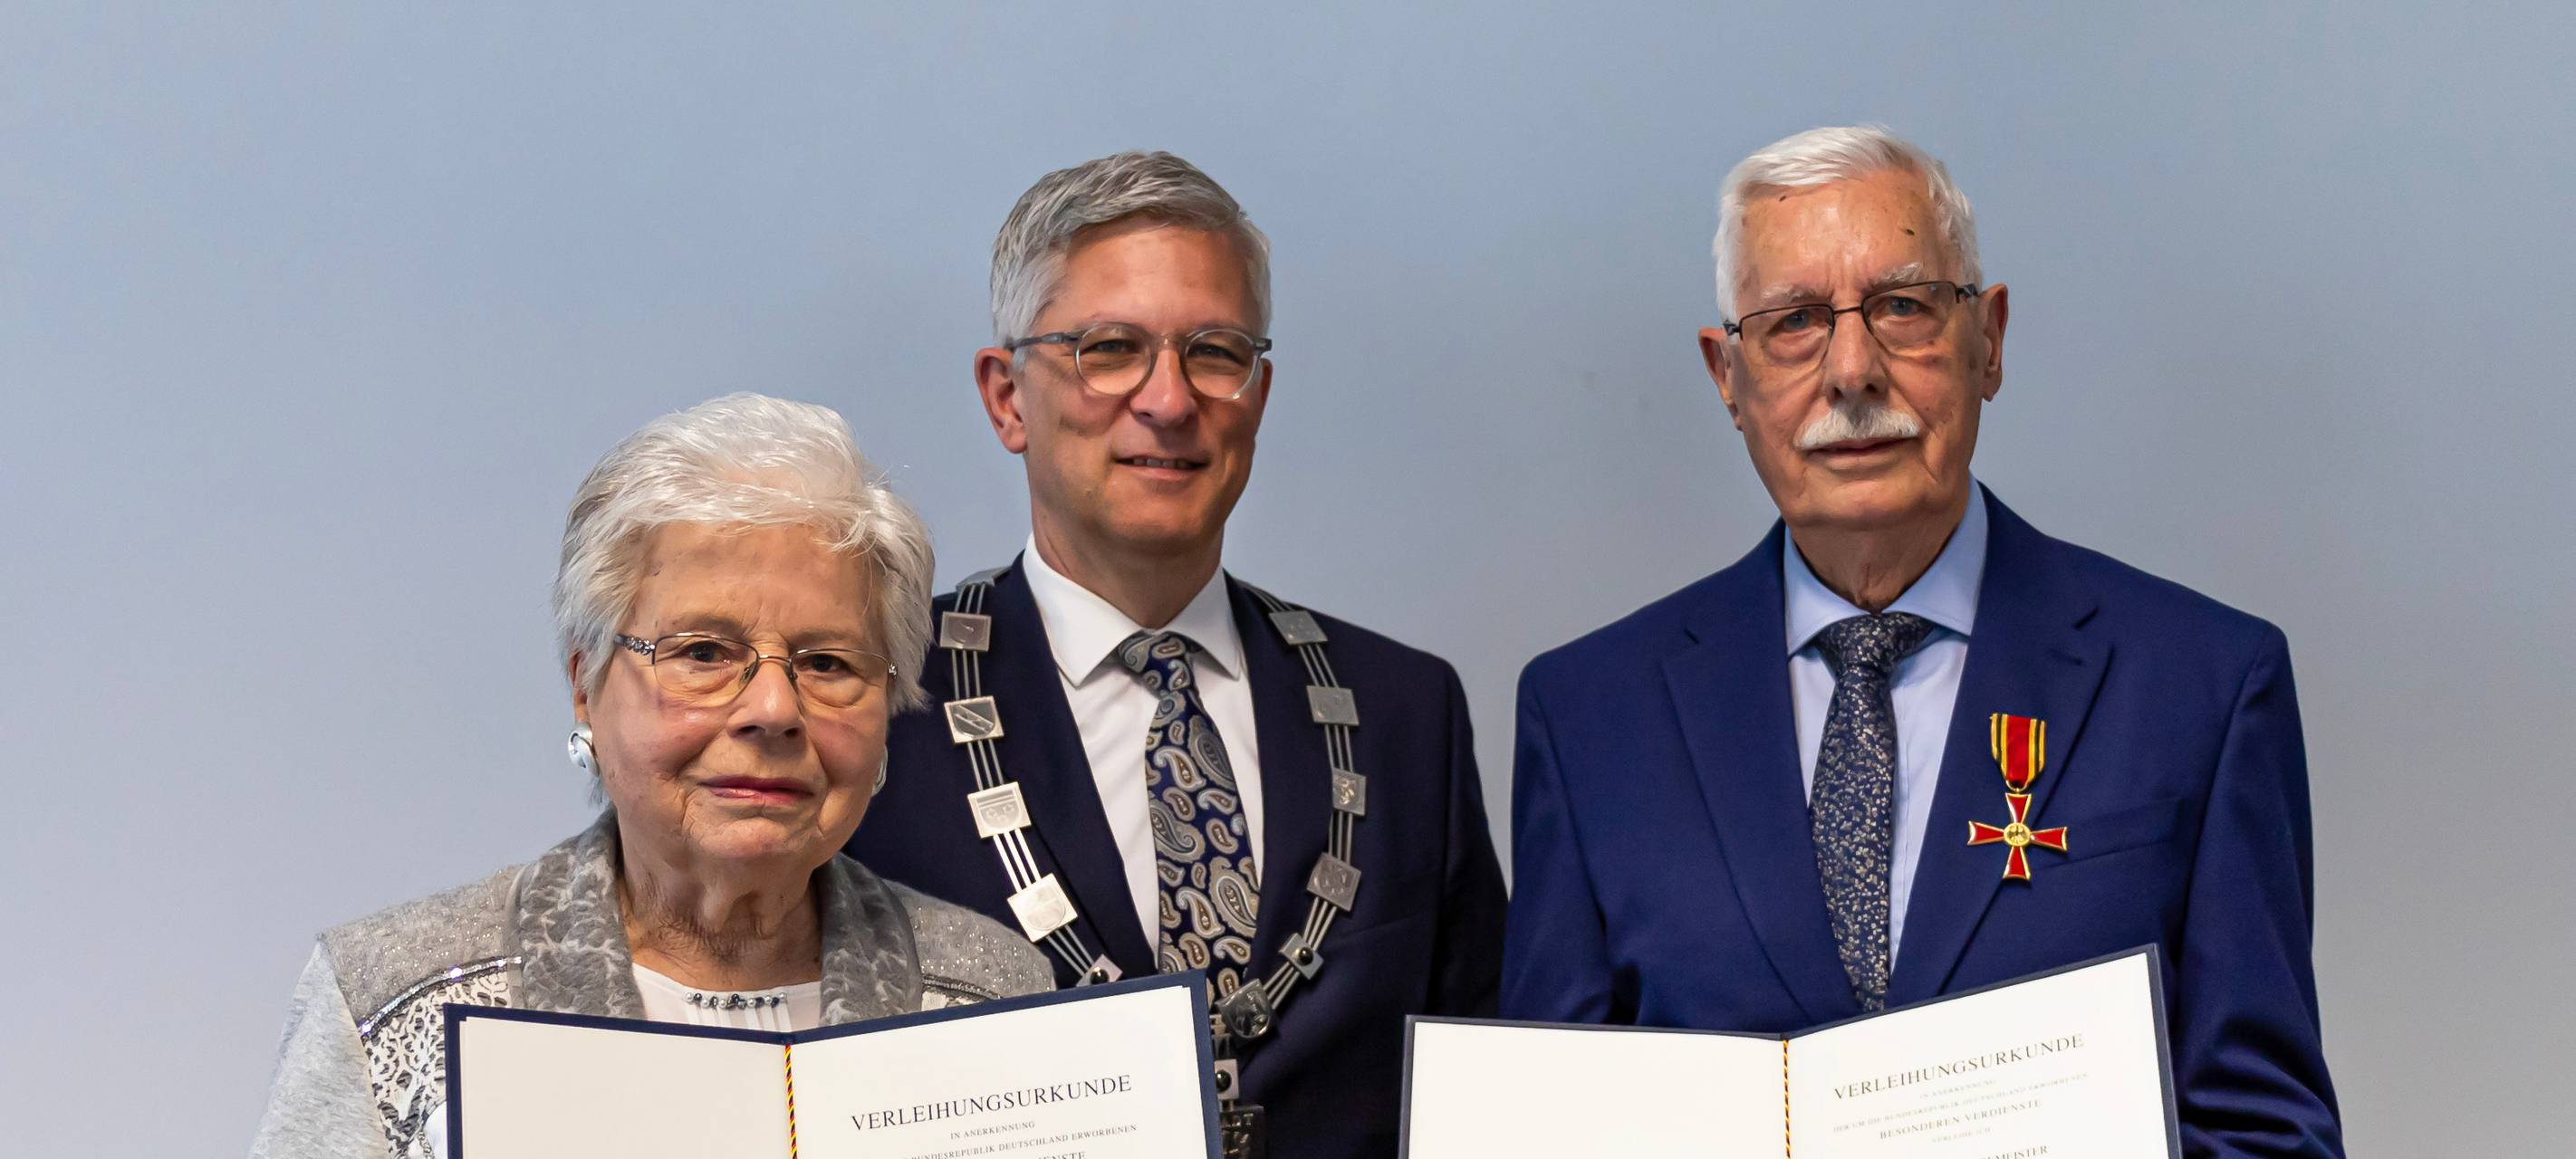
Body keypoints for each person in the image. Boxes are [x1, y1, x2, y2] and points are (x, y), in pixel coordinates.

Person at [1501, 126, 2342, 1155]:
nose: (1853, 370)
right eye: (1795, 322)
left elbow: (2268, 1134)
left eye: (1901, 306)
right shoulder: (1590, 717)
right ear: (1727, 376)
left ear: (1988, 339)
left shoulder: (2203, 685)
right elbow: (1540, 1123)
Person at [850, 150, 1507, 1159]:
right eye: (1110, 348)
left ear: (1260, 391)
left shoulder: (1405, 710)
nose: (1168, 398)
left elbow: (1486, 1098)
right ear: (1007, 398)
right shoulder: (874, 703)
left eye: (1213, 350)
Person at [250, 394, 1052, 1159]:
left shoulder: (994, 995)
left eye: (829, 662)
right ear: (585, 687)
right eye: (704, 652)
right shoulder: (394, 998)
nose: (774, 709)